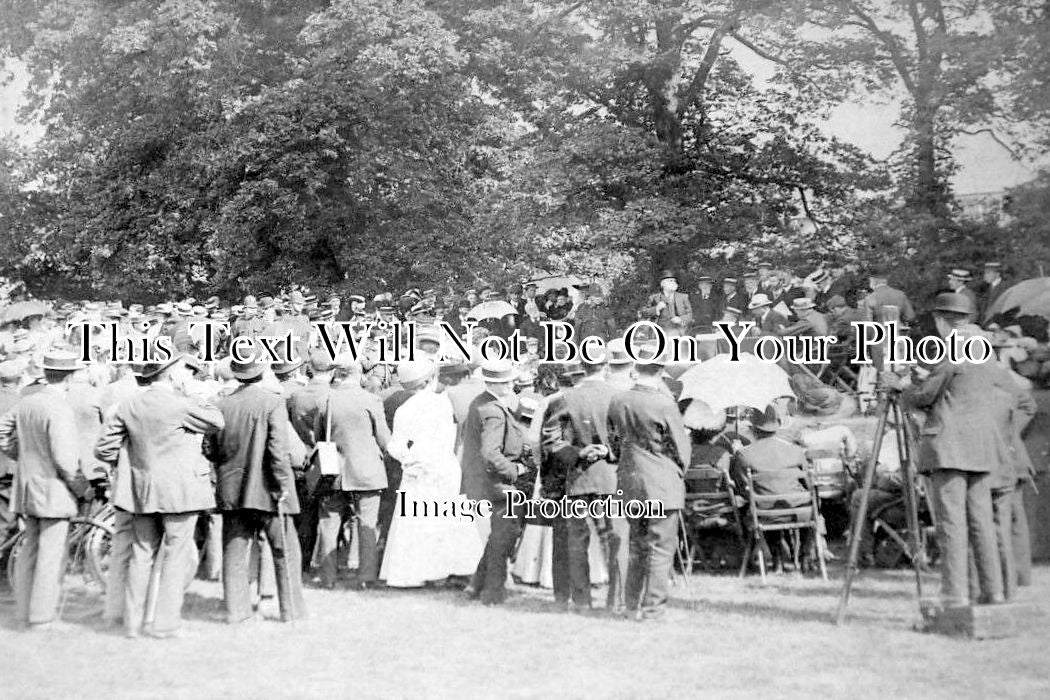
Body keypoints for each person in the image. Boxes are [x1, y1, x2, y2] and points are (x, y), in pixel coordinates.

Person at [881, 292, 1020, 608]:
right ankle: (993, 590)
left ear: (943, 321)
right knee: (981, 521)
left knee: (952, 523)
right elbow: (957, 388)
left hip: (950, 446)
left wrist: (901, 386)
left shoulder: (954, 346)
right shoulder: (984, 348)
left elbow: (926, 395)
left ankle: (955, 594)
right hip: (981, 446)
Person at [95, 353, 224, 638]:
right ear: (170, 373)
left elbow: (103, 449)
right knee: (175, 556)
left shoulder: (128, 405)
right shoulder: (181, 404)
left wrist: (132, 459)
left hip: (141, 490)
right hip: (181, 492)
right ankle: (164, 624)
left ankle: (132, 623)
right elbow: (217, 420)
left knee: (141, 555)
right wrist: (191, 390)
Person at [208, 360, 306, 624]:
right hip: (269, 490)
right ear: (261, 373)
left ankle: (236, 611)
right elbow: (277, 450)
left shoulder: (221, 404)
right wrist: (284, 485)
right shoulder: (272, 402)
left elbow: (210, 449)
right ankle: (291, 610)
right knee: (286, 551)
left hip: (233, 489)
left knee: (235, 552)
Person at [0, 350, 90, 631]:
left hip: (27, 486)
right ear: (70, 377)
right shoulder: (59, 408)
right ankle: (41, 618)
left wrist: (20, 454)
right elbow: (65, 460)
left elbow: (2, 432)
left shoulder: (27, 402)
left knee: (29, 550)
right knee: (51, 555)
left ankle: (24, 611)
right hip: (53, 489)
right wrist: (82, 488)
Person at [605, 346, 690, 620]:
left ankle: (631, 606)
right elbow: (682, 450)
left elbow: (613, 444)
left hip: (629, 482)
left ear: (635, 368)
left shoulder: (618, 401)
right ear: (661, 371)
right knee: (661, 548)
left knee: (637, 547)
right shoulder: (665, 404)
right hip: (661, 485)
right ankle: (653, 609)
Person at [381, 360, 482, 587]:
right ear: (429, 379)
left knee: (417, 522)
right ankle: (451, 570)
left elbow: (395, 445)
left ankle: (417, 573)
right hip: (442, 465)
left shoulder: (405, 409)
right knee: (445, 519)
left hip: (419, 467)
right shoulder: (443, 403)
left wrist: (408, 460)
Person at [542, 354, 627, 613]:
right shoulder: (619, 396)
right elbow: (630, 439)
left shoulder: (563, 399)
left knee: (577, 542)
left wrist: (579, 453)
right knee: (616, 540)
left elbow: (551, 442)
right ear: (605, 366)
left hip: (577, 478)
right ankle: (617, 602)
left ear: (582, 366)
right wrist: (606, 452)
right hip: (610, 478)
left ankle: (581, 601)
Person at [313, 359, 390, 589]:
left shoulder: (327, 400)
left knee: (329, 522)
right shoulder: (371, 400)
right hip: (367, 472)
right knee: (366, 524)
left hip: (333, 470)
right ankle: (365, 577)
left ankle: (327, 577)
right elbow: (384, 438)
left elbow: (318, 436)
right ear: (358, 375)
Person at [461, 359, 532, 605]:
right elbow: (490, 453)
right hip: (499, 485)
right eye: (508, 381)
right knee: (504, 537)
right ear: (497, 383)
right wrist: (514, 470)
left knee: (498, 536)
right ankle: (492, 592)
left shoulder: (482, 402)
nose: (513, 383)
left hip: (485, 483)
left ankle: (476, 585)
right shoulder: (492, 409)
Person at [642, 270, 692, 337]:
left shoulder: (683, 297)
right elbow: (643, 313)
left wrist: (681, 319)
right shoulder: (654, 298)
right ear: (663, 284)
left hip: (679, 332)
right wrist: (656, 309)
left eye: (674, 281)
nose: (673, 283)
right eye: (670, 281)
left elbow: (690, 314)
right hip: (659, 333)